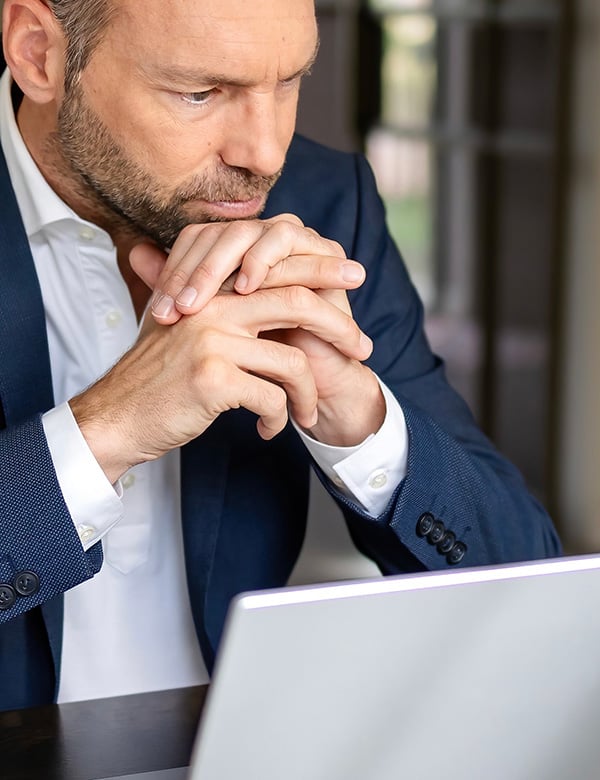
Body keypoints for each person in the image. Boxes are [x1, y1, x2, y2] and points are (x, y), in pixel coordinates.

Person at [0, 0, 560, 712]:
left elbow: (528, 587)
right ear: (38, 52)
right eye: (199, 93)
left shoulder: (324, 203)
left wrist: (356, 413)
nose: (265, 155)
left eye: (289, 81)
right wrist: (107, 430)